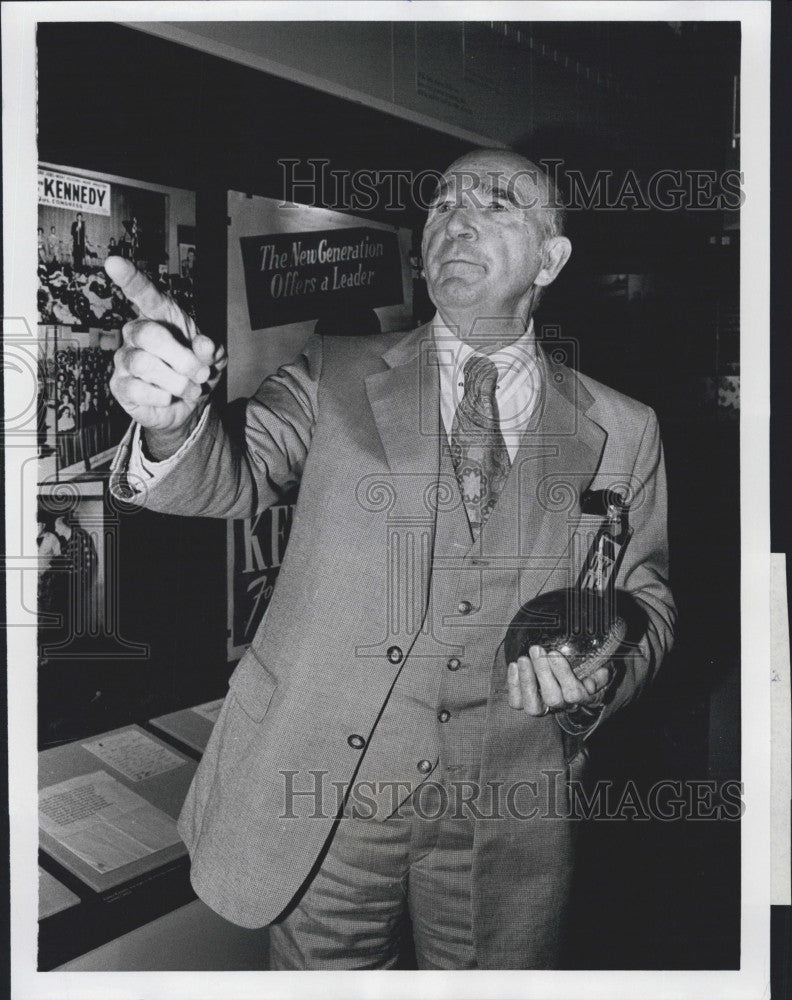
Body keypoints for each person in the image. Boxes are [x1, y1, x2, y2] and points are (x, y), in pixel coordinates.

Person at [105, 149, 675, 969]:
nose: (458, 218)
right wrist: (169, 418)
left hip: (505, 802)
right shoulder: (334, 371)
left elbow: (646, 602)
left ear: (550, 259)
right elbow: (230, 472)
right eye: (443, 203)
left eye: (496, 203)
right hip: (328, 797)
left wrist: (602, 668)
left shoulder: (624, 428)